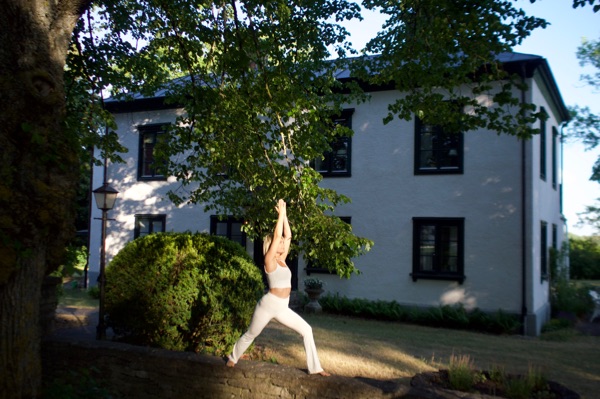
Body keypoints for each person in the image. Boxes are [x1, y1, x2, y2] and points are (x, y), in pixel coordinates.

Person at [226, 199, 330, 376]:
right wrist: (279, 216)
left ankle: (316, 368)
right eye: (279, 242)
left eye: (282, 242)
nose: (282, 243)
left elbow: (288, 236)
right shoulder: (269, 261)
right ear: (272, 246)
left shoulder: (282, 260)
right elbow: (277, 236)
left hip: (283, 306)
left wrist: (286, 215)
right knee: (252, 333)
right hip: (268, 304)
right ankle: (232, 358)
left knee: (307, 330)